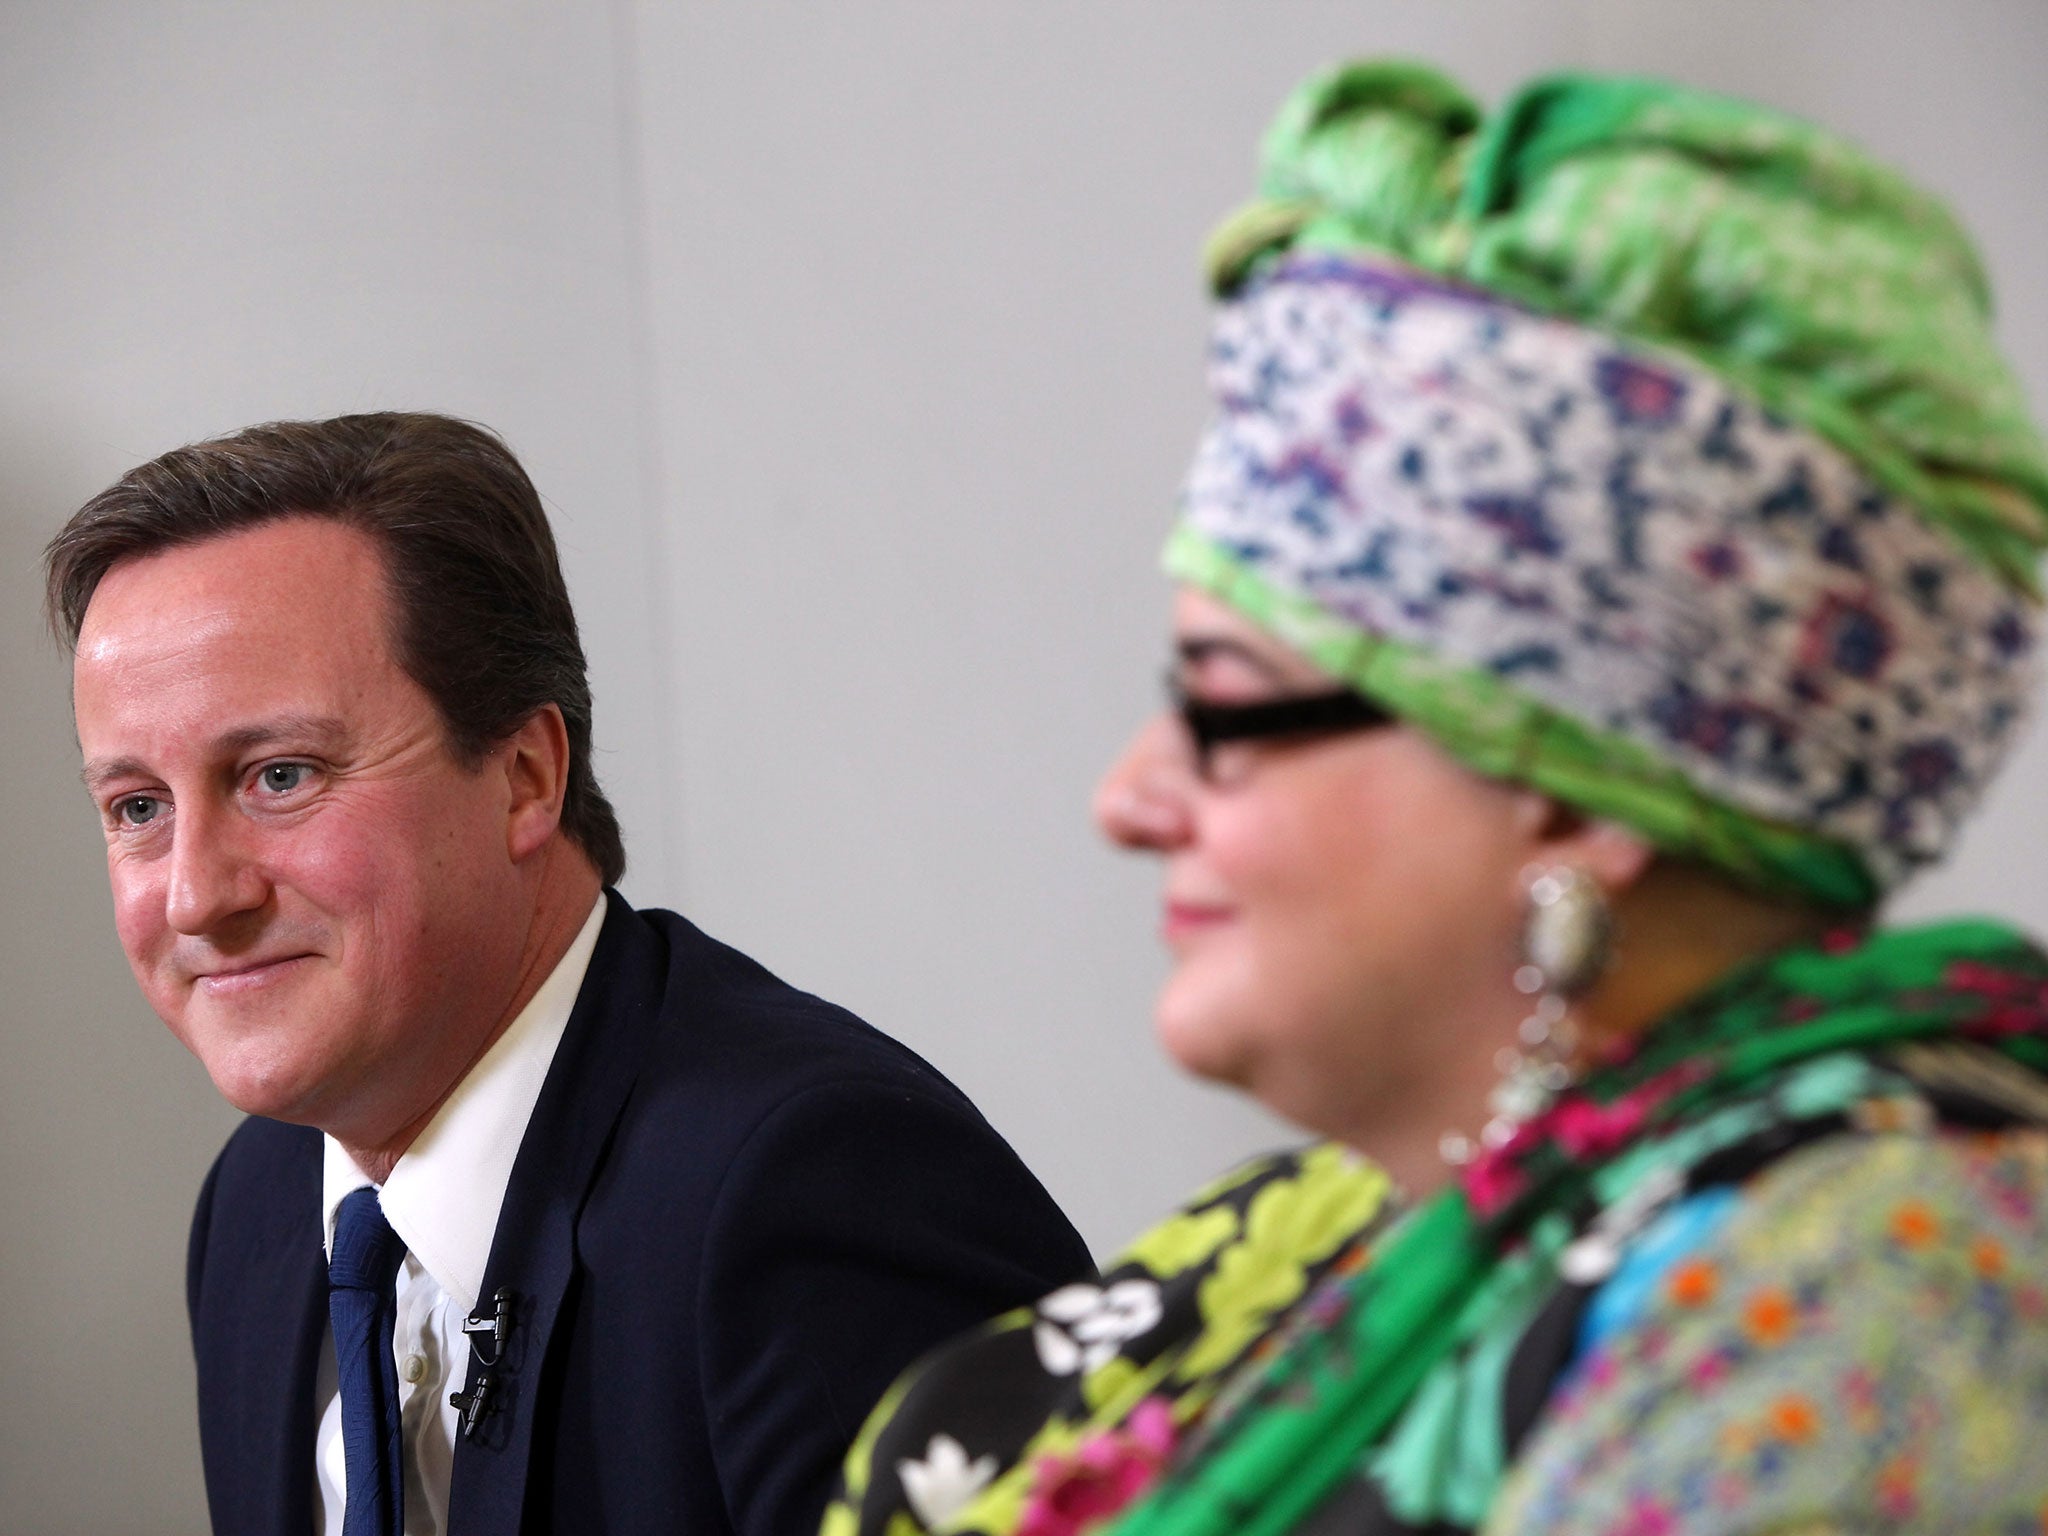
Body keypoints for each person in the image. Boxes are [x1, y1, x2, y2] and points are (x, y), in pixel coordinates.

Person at [824, 61, 2048, 1536]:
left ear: (1580, 782)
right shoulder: (1316, 1233)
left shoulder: (1884, 1283)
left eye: (1224, 702)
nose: (1130, 798)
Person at [47, 412, 1093, 1536]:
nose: (198, 896)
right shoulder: (257, 1210)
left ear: (525, 777)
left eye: (279, 776)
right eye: (138, 808)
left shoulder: (817, 1188)